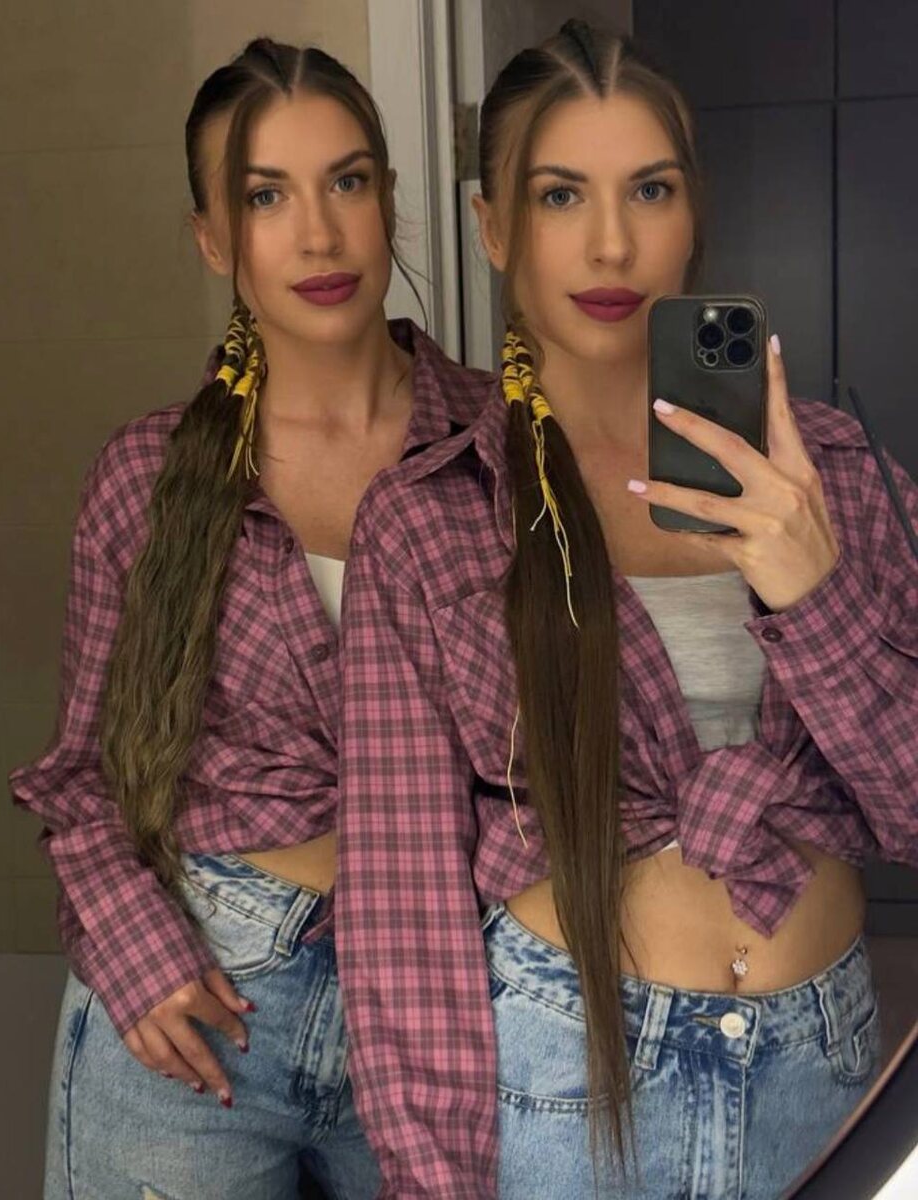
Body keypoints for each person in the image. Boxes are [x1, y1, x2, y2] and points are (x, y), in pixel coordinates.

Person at [337, 19, 917, 1199]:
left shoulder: (839, 477)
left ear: (693, 211)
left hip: (822, 1070)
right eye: (561, 195)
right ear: (493, 226)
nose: (612, 241)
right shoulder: (430, 517)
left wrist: (811, 589)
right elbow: (401, 912)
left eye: (649, 189)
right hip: (564, 1076)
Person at [9, 37, 492, 1200]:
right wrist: (137, 954)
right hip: (202, 1012)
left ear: (389, 200)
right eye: (266, 196)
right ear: (214, 238)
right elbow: (81, 780)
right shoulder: (147, 477)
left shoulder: (502, 453)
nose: (318, 235)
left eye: (346, 181)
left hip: (443, 1015)